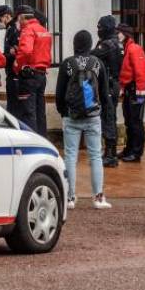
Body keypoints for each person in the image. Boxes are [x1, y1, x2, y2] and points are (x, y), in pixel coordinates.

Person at [56, 30, 112, 210]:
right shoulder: (98, 63)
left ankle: (70, 197)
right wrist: (104, 114)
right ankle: (98, 197)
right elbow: (104, 93)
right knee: (95, 155)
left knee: (70, 156)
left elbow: (59, 93)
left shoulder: (67, 64)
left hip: (71, 116)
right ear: (89, 45)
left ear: (74, 44)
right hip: (93, 116)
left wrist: (63, 112)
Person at [13, 5, 53, 135]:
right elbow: (47, 55)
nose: (18, 23)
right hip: (41, 74)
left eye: (18, 20)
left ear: (22, 18)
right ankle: (43, 139)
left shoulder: (28, 30)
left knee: (28, 111)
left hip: (29, 75)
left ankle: (32, 142)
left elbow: (25, 51)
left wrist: (17, 65)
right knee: (40, 110)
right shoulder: (44, 31)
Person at [91, 15, 124, 167]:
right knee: (109, 117)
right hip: (113, 84)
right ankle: (109, 152)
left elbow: (92, 55)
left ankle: (111, 155)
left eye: (100, 28)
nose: (98, 30)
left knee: (108, 118)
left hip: (109, 85)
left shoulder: (108, 45)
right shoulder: (117, 42)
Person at [117, 23, 145, 163]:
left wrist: (140, 93)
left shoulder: (134, 49)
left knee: (136, 122)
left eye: (118, 32)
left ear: (125, 34)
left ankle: (136, 152)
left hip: (136, 90)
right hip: (130, 90)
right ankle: (129, 149)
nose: (116, 35)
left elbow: (141, 71)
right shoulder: (127, 48)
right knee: (129, 122)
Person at [0, 5, 20, 112]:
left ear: (6, 16)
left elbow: (16, 52)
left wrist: (2, 57)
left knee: (14, 107)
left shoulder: (14, 29)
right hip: (10, 72)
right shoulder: (10, 28)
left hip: (15, 73)